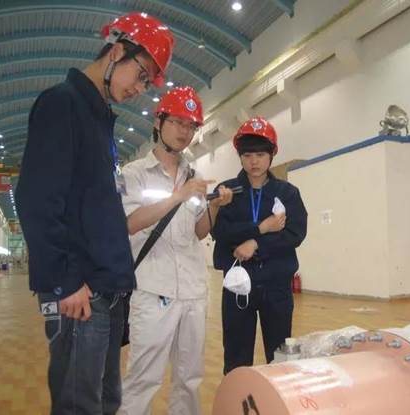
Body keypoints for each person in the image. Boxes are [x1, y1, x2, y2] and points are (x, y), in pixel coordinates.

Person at [15, 12, 174, 415]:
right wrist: (65, 280)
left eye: (147, 83)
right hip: (79, 292)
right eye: (141, 75)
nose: (140, 89)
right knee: (79, 405)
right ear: (116, 51)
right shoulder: (62, 104)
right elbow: (36, 199)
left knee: (106, 401)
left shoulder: (99, 120)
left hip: (105, 288)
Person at [119, 86, 232, 415]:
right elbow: (129, 223)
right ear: (159, 122)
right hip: (154, 290)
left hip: (193, 291)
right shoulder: (132, 174)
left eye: (191, 125)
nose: (185, 131)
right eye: (178, 122)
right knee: (143, 379)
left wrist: (215, 207)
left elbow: (198, 231)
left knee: (190, 379)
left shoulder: (194, 176)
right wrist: (177, 196)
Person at [212, 117, 308, 374]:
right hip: (237, 284)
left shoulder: (288, 193)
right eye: (247, 155)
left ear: (272, 154)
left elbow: (295, 233)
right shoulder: (227, 192)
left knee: (280, 356)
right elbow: (220, 232)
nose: (253, 161)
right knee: (236, 355)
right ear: (240, 156)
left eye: (260, 155)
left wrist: (255, 243)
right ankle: (236, 396)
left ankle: (278, 396)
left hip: (276, 284)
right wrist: (261, 228)